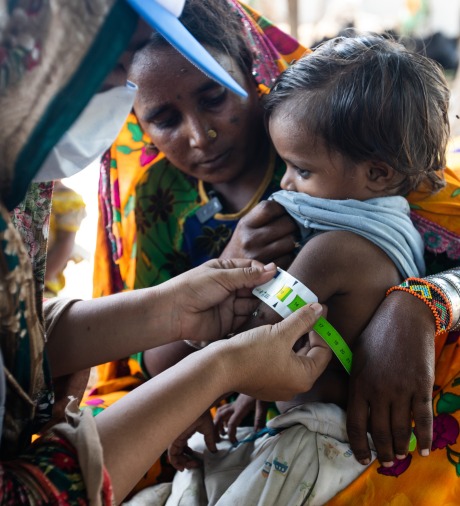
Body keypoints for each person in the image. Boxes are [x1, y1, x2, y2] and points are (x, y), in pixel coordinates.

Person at [0, 1, 333, 504]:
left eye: (214, 96)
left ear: (253, 69)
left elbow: (16, 337)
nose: (201, 136)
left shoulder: (323, 155)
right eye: (107, 76)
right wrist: (216, 371)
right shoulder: (159, 203)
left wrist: (175, 314)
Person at [156, 34, 460, 505]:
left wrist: (184, 405)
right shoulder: (400, 230)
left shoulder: (330, 251)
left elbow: (256, 341)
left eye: (301, 169)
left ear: (377, 173)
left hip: (308, 443)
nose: (284, 183)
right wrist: (245, 395)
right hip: (311, 440)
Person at [44, 180, 87, 298]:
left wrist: (42, 277)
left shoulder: (67, 199)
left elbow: (64, 245)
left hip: (41, 285)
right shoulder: (17, 191)